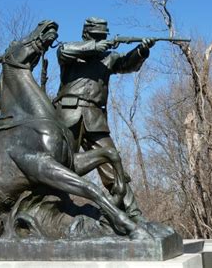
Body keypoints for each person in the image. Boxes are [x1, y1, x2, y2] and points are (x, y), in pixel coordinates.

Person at [54, 17, 155, 222]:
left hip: (95, 118)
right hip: (68, 113)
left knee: (112, 162)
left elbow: (127, 64)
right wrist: (94, 46)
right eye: (96, 37)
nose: (100, 41)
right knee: (58, 163)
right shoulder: (72, 51)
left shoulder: (107, 58)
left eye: (102, 38)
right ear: (86, 35)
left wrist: (141, 51)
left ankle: (133, 213)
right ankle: (51, 208)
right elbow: (63, 50)